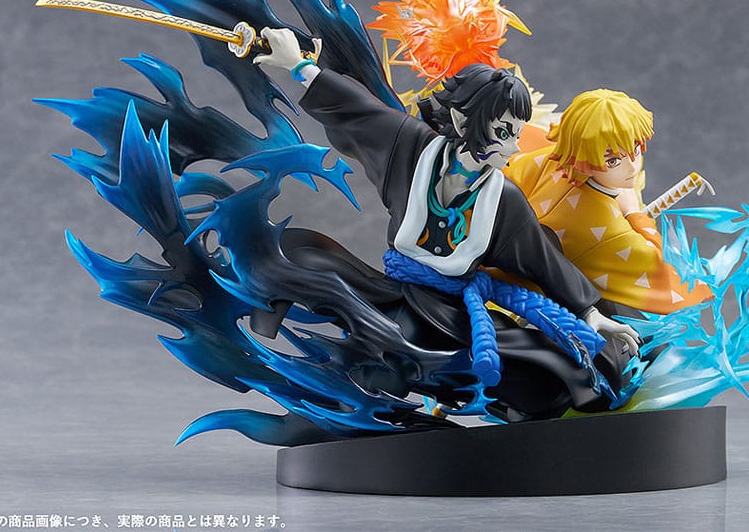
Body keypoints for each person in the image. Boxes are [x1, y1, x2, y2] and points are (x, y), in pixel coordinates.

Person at [252, 28, 641, 362]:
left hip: (452, 316)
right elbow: (357, 110)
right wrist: (296, 64)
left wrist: (590, 312)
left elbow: (545, 261)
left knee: (548, 368)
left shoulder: (503, 200)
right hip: (394, 292)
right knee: (295, 251)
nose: (512, 147)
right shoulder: (409, 146)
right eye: (503, 133)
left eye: (516, 135)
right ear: (461, 120)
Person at [506, 88, 712, 315]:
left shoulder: (547, 158)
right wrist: (634, 214)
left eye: (636, 149)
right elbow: (672, 276)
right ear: (584, 158)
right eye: (613, 161)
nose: (632, 168)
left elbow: (506, 176)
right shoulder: (609, 230)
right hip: (520, 301)